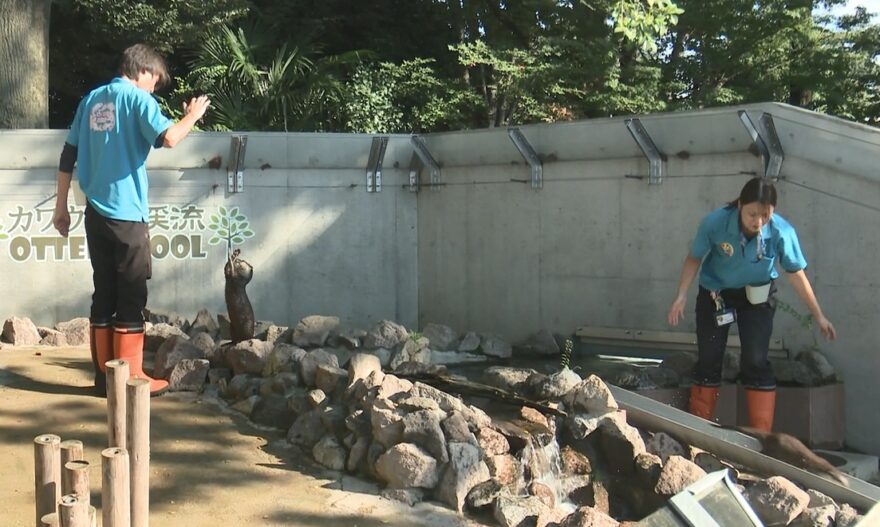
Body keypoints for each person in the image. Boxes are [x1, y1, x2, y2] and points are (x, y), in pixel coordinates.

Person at [52, 44, 211, 396]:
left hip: (94, 214)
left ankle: (103, 380)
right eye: (154, 82)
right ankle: (131, 379)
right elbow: (169, 138)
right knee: (132, 296)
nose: (153, 89)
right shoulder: (139, 100)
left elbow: (68, 155)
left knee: (104, 293)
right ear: (143, 71)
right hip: (126, 215)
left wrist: (60, 208)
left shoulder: (91, 100)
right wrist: (192, 116)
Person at [667, 177, 836, 431]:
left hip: (757, 298)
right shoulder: (715, 223)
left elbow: (796, 274)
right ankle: (698, 433)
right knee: (710, 358)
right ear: (740, 205)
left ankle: (760, 437)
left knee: (756, 360)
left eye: (765, 215)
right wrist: (681, 295)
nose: (757, 221)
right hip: (717, 295)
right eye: (752, 214)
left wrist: (819, 315)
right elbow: (694, 258)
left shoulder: (781, 232)